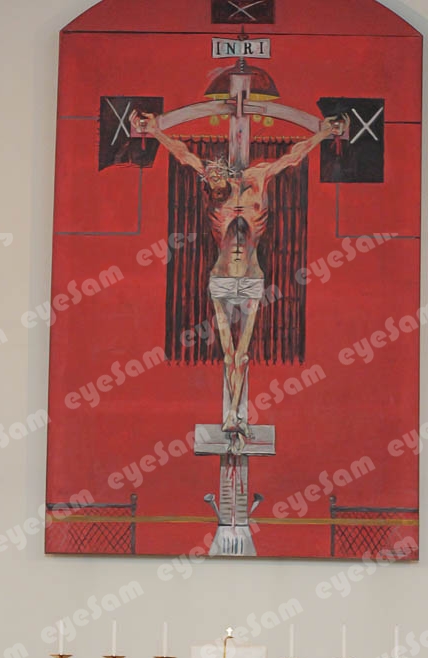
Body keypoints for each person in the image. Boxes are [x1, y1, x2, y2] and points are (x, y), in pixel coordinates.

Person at [130, 109, 348, 447]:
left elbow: (292, 157)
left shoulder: (257, 179)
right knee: (227, 353)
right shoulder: (211, 184)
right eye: (208, 183)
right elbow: (183, 154)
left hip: (251, 279)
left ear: (224, 172)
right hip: (220, 278)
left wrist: (323, 134)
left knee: (242, 355)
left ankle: (235, 415)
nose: (211, 185)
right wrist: (155, 131)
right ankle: (231, 418)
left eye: (214, 180)